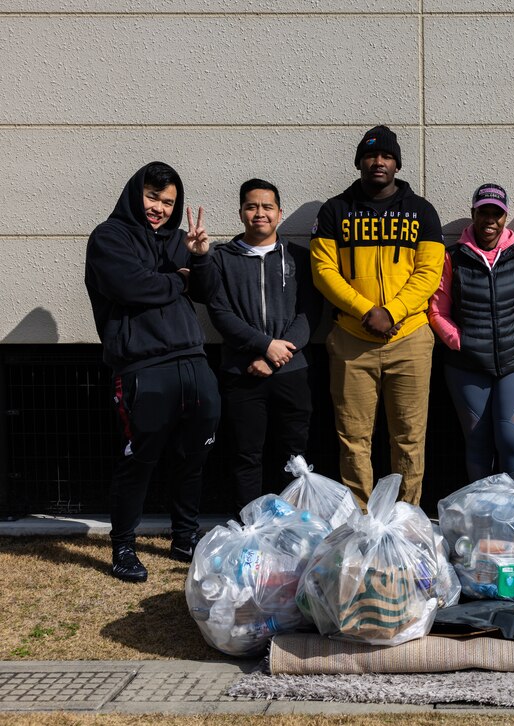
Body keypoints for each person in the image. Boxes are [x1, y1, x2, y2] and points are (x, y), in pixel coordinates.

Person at [84, 161, 221, 582]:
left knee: (194, 455)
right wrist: (176, 280)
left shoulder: (181, 241)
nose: (159, 207)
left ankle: (184, 538)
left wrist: (197, 260)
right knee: (138, 460)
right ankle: (123, 547)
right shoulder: (109, 237)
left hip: (194, 362)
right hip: (142, 366)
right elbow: (131, 287)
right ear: (134, 193)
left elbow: (208, 291)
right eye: (152, 197)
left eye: (168, 201)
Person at [310, 125, 444, 507]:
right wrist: (367, 310)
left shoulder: (421, 211)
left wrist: (393, 311)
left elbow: (429, 272)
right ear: (359, 162)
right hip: (353, 339)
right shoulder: (335, 210)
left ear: (397, 164)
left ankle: (406, 517)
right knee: (353, 437)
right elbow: (323, 271)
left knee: (409, 437)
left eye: (386, 156)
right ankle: (361, 519)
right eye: (371, 156)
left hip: (411, 338)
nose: (378, 162)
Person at [194, 179, 321, 515]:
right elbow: (219, 311)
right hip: (242, 371)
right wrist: (265, 347)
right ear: (241, 213)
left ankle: (295, 526)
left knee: (295, 455)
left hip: (293, 371)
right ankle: (252, 530)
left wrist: (278, 355)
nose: (259, 213)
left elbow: (311, 312)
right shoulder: (222, 258)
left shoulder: (300, 257)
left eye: (267, 207)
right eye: (252, 206)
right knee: (245, 455)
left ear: (279, 213)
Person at [428, 184, 514, 482]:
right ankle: (483, 516)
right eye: (484, 212)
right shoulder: (452, 257)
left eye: (497, 214)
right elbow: (436, 311)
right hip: (467, 366)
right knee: (479, 445)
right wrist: (460, 340)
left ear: (505, 218)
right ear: (473, 214)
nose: (490, 220)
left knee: (513, 441)